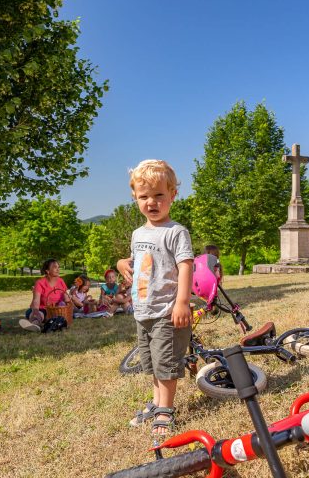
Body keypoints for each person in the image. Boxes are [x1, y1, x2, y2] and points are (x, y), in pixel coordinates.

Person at [117, 159, 194, 435]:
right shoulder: (138, 233)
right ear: (135, 198)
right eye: (144, 196)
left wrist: (182, 302)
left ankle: (166, 409)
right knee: (152, 363)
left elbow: (186, 265)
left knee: (166, 363)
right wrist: (121, 263)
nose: (151, 202)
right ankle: (157, 402)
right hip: (143, 311)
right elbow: (140, 259)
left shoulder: (176, 232)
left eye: (159, 195)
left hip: (166, 310)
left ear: (172, 195)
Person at [19, 259, 70, 332]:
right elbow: (36, 300)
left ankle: (36, 322)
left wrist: (69, 300)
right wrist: (35, 312)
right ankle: (34, 324)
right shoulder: (40, 282)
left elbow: (66, 298)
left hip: (57, 310)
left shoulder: (61, 281)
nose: (58, 269)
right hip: (42, 309)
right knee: (38, 313)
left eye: (58, 267)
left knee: (53, 314)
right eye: (55, 267)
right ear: (47, 271)